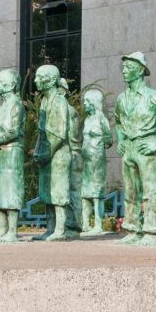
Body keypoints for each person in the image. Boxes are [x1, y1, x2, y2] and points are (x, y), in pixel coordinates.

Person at [115, 51, 156, 246]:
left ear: (140, 71)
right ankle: (132, 229)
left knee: (151, 191)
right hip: (129, 148)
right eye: (124, 68)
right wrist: (121, 140)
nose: (124, 71)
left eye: (129, 68)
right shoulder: (121, 98)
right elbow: (118, 122)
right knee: (130, 191)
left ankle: (151, 231)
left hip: (147, 146)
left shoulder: (154, 96)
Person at [0, 68, 25, 243]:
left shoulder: (17, 104)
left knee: (11, 190)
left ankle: (13, 231)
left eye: (1, 82)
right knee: (0, 192)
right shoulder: (2, 107)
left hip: (12, 152)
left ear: (12, 84)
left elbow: (13, 130)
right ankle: (2, 230)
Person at [32, 64, 72, 241]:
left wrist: (48, 152)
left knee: (58, 192)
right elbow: (42, 131)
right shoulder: (44, 101)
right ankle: (49, 228)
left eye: (39, 77)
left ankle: (60, 230)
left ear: (49, 80)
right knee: (47, 192)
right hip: (46, 154)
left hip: (58, 154)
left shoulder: (60, 101)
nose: (35, 81)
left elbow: (60, 132)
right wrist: (39, 150)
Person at [81, 89, 113, 234]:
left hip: (97, 160)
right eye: (84, 101)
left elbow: (109, 139)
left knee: (96, 193)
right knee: (85, 193)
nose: (84, 104)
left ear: (95, 103)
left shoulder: (101, 119)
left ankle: (98, 224)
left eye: (87, 101)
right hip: (86, 162)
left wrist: (98, 146)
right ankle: (85, 224)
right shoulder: (87, 120)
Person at [59, 78, 83, 238]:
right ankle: (67, 225)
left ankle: (74, 227)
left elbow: (71, 136)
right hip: (70, 153)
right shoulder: (65, 109)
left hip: (73, 154)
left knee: (73, 193)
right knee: (65, 192)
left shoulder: (68, 110)